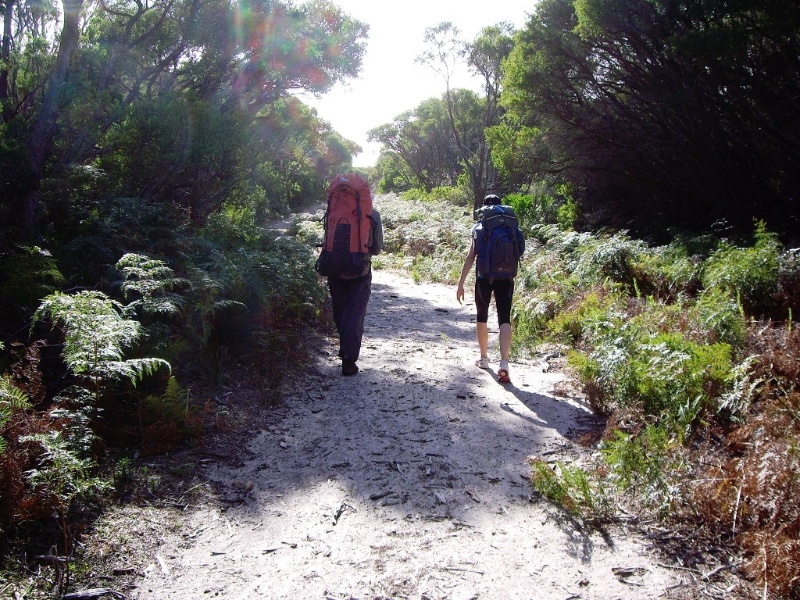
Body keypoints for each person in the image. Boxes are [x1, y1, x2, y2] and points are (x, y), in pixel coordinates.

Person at [456, 194, 516, 383]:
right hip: (506, 277)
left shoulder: (479, 228)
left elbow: (470, 256)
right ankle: (504, 362)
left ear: (483, 209)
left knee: (482, 316)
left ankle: (484, 358)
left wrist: (460, 283)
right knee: (504, 318)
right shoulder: (511, 226)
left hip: (483, 278)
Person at [327, 208, 383, 376]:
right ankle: (348, 360)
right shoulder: (372, 214)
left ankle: (345, 350)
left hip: (334, 269)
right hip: (360, 271)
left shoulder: (334, 209)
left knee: (340, 311)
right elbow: (377, 248)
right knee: (355, 314)